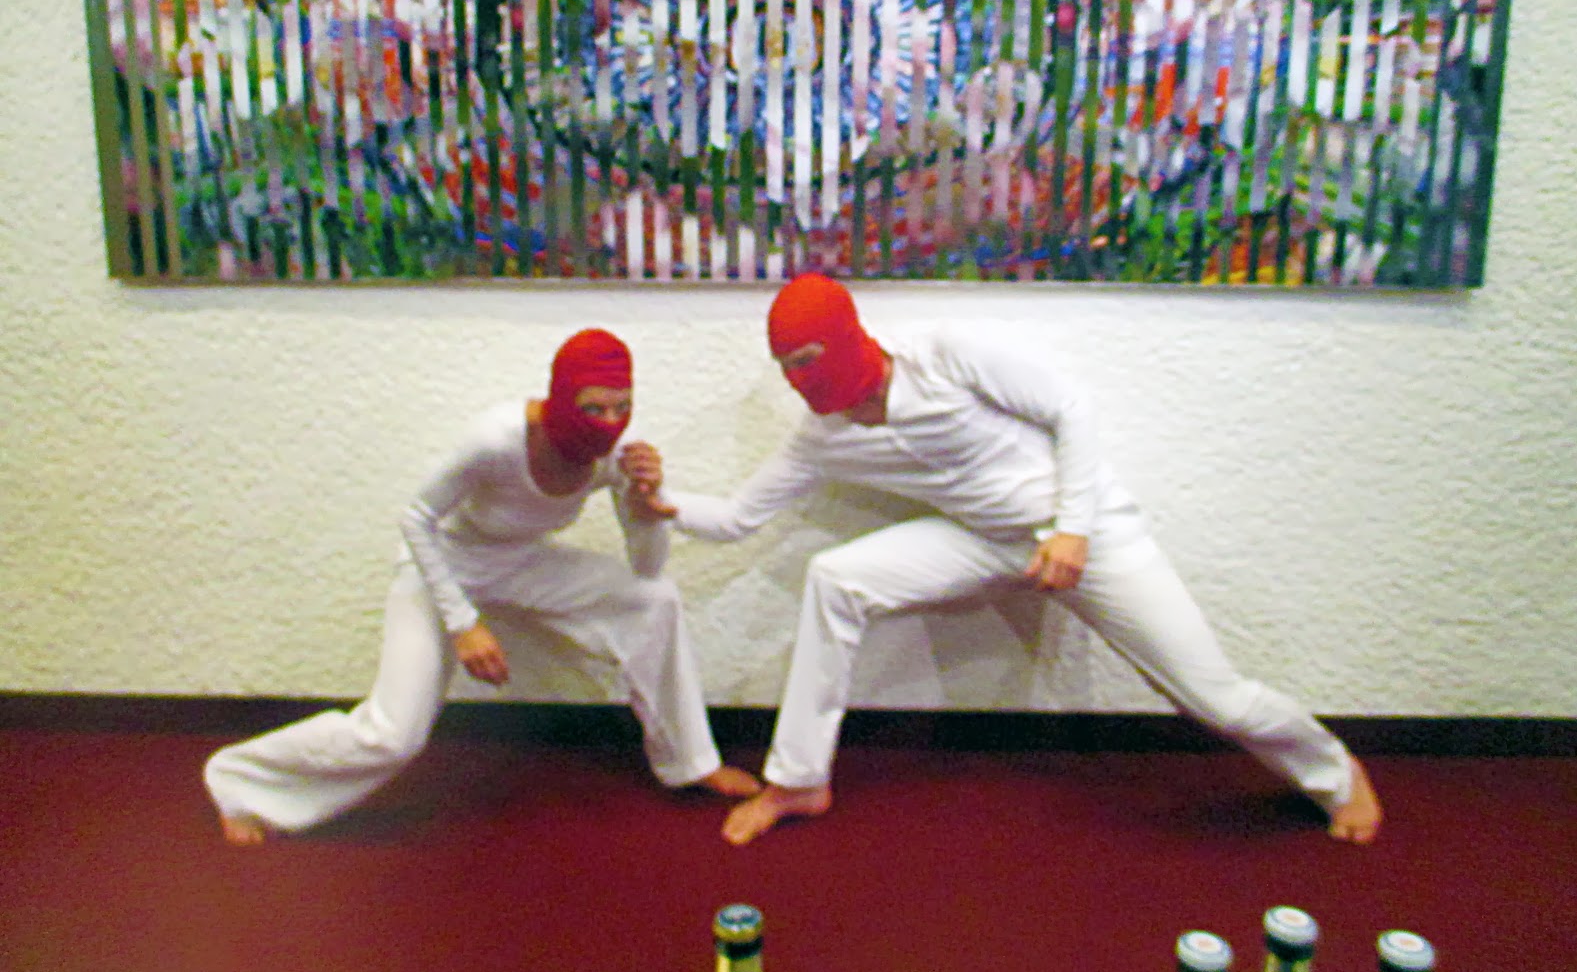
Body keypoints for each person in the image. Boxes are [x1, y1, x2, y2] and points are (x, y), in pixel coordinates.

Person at [651, 274, 1382, 847]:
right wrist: (661, 501)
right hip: (984, 541)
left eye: (808, 359)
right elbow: (739, 517)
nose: (799, 380)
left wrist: (1073, 530)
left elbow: (1070, 408)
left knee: (1210, 695)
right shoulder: (822, 437)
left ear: (848, 337)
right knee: (835, 578)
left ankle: (1333, 770)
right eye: (785, 368)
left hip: (1090, 531)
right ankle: (799, 779)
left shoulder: (943, 354)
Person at [204, 328, 757, 845]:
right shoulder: (495, 439)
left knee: (653, 601)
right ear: (560, 397)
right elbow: (416, 518)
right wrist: (463, 622)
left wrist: (647, 507)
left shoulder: (619, 454)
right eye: (593, 407)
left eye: (622, 406)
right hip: (442, 562)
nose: (609, 421)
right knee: (393, 735)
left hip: (520, 560)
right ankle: (239, 780)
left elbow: (647, 568)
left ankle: (691, 762)